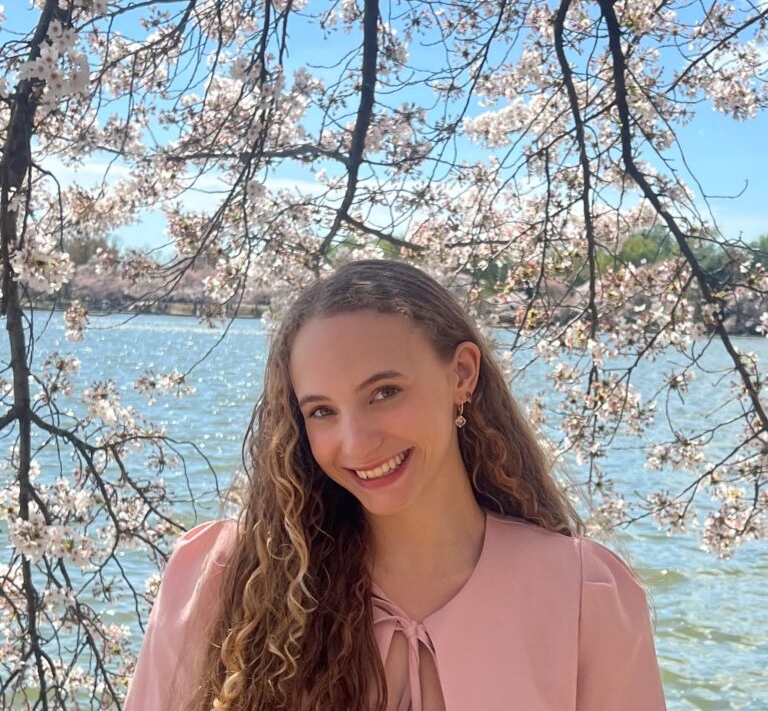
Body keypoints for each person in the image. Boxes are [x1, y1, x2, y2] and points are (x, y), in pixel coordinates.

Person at [125, 259, 667, 711]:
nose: (357, 443)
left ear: (462, 374)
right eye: (322, 411)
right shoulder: (227, 578)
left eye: (384, 392)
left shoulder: (583, 596)